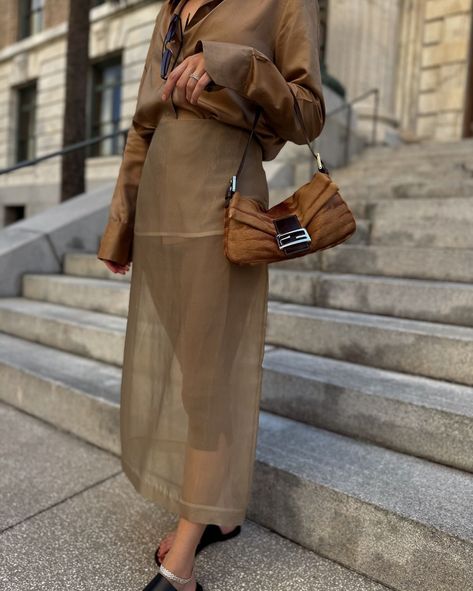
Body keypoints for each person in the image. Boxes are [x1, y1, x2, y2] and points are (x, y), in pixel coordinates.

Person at [96, 0, 326, 589]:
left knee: (208, 379)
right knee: (189, 376)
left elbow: (307, 116)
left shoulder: (279, 5)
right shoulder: (171, 9)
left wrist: (236, 63)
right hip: (160, 212)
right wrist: (121, 225)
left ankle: (182, 565)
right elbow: (145, 123)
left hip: (220, 210)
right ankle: (214, 511)